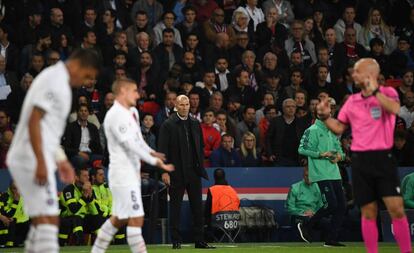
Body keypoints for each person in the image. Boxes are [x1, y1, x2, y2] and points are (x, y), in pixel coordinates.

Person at [6, 49, 99, 253]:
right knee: (47, 222)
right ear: (79, 65)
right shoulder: (53, 81)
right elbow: (34, 121)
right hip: (28, 157)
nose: (86, 82)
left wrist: (61, 160)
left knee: (45, 224)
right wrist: (40, 161)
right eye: (87, 76)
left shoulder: (63, 86)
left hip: (39, 156)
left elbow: (49, 132)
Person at [316, 58, 412, 253]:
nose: (354, 75)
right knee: (368, 212)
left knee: (396, 209)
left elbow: (394, 110)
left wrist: (374, 91)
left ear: (371, 74)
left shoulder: (388, 93)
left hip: (383, 158)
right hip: (360, 160)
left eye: (358, 71)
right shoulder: (352, 101)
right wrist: (325, 117)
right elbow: (339, 128)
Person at [91, 78, 174, 253]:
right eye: (134, 90)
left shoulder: (134, 112)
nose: (138, 94)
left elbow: (138, 140)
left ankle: (97, 250)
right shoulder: (114, 115)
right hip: (121, 174)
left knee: (119, 218)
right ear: (123, 91)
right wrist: (154, 161)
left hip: (132, 173)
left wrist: (153, 154)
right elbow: (130, 144)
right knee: (136, 217)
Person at [158, 95, 215, 249]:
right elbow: (162, 150)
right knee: (175, 207)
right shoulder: (168, 124)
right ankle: (176, 240)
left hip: (194, 171)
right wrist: (164, 172)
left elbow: (200, 146)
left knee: (197, 207)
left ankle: (199, 240)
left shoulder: (195, 123)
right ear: (176, 106)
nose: (185, 107)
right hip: (176, 172)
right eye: (181, 104)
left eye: (187, 104)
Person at [297, 108, 346, 247]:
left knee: (341, 206)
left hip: (334, 172)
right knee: (332, 204)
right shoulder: (312, 130)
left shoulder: (332, 131)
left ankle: (331, 239)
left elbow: (340, 150)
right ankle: (306, 225)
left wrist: (339, 157)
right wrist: (321, 154)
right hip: (320, 172)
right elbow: (302, 149)